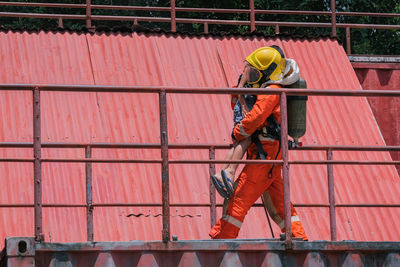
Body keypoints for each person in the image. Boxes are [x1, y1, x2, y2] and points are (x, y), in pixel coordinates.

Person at [209, 46, 308, 240]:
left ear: (266, 73)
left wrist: (238, 132)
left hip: (265, 155)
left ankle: (222, 242)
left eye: (255, 72)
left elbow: (256, 117)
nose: (252, 75)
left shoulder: (272, 90)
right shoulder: (262, 91)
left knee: (237, 199)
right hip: (267, 155)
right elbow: (236, 103)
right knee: (278, 203)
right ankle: (298, 238)